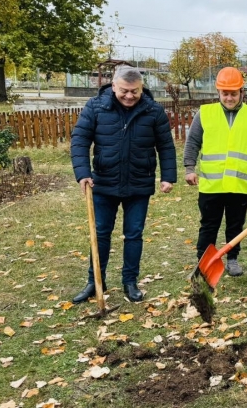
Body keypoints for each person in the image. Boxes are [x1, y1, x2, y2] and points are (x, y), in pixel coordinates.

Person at [70, 66, 177, 304]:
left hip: (139, 182)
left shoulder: (153, 110)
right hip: (103, 182)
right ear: (113, 86)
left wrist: (168, 176)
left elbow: (165, 146)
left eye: (134, 91)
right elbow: (80, 140)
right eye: (124, 91)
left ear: (141, 88)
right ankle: (95, 281)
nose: (129, 96)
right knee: (100, 233)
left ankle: (130, 281)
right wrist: (82, 173)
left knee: (134, 234)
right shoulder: (96, 107)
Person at [183, 67, 247, 276]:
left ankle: (232, 259)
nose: (229, 98)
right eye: (225, 93)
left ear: (242, 92)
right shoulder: (205, 113)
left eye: (233, 93)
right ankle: (203, 262)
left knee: (235, 225)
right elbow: (193, 142)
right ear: (219, 92)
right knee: (208, 225)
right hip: (211, 185)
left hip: (239, 185)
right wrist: (189, 168)